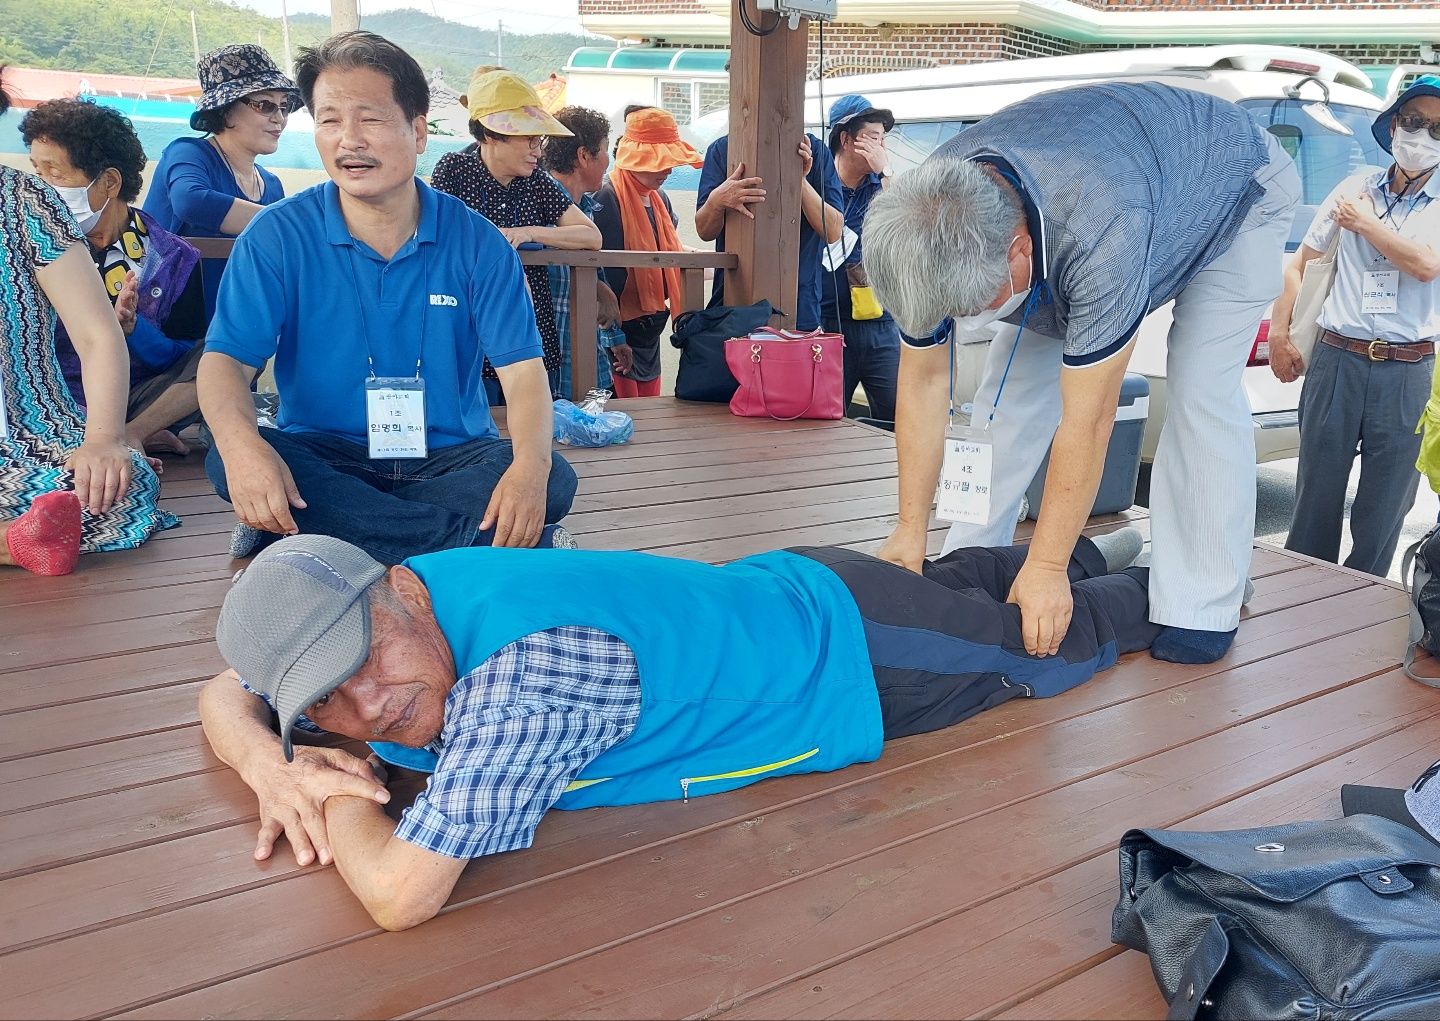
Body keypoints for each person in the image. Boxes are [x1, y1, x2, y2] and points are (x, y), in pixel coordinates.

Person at [198, 525, 1152, 929]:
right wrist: (270, 765)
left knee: (1041, 649)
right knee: (957, 586)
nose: (368, 709)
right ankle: (1085, 548)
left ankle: (1165, 588)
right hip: (788, 585)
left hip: (847, 653)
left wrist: (329, 787)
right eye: (324, 701)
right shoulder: (400, 592)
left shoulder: (521, 680)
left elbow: (400, 894)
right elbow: (221, 692)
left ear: (402, 594)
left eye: (367, 660)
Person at [863, 82, 1300, 666]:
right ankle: (974, 558)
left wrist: (1047, 568)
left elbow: (1088, 419)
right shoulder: (923, 221)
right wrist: (908, 528)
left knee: (1200, 389)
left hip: (1233, 189)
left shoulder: (1104, 228)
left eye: (970, 307)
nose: (962, 322)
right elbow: (923, 382)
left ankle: (1204, 599)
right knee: (1006, 395)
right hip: (1104, 182)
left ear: (1018, 251)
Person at [197, 32, 578, 565]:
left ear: (418, 132)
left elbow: (522, 374)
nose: (349, 140)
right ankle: (468, 542)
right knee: (227, 454)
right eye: (330, 120)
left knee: (553, 477)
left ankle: (314, 529)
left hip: (449, 457)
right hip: (326, 452)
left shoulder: (480, 243)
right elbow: (226, 363)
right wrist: (244, 453)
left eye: (370, 119)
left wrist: (529, 472)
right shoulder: (277, 236)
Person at [0, 77, 176, 577]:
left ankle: (36, 527)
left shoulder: (25, 203)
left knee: (117, 485)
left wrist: (103, 439)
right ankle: (13, 541)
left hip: (27, 426)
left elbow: (97, 335)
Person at [1271, 76, 1440, 578]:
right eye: (1414, 122)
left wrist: (1366, 223)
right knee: (1315, 496)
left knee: (1385, 506)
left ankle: (1364, 600)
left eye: (1438, 128)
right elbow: (1300, 263)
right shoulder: (1353, 189)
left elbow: (1425, 265)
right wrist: (1280, 332)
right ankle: (1302, 592)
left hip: (1408, 369)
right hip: (1337, 359)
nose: (1422, 136)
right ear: (1393, 125)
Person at [22, 99, 207, 459]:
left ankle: (133, 434)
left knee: (220, 355)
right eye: (36, 172)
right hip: (49, 402)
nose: (38, 189)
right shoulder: (25, 245)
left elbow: (182, 356)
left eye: (54, 174)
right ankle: (109, 437)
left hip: (137, 401)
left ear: (108, 182)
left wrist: (134, 330)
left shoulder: (176, 259)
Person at [430, 69, 601, 401]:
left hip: (528, 325)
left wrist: (529, 232)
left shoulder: (537, 181)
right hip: (469, 325)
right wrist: (495, 241)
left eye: (539, 140)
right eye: (529, 139)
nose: (538, 151)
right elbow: (439, 233)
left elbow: (590, 236)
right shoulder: (455, 169)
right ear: (491, 135)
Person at [143, 44, 301, 319]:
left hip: (237, 325)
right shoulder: (189, 153)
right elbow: (191, 201)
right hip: (170, 329)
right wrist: (289, 224)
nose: (279, 118)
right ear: (225, 111)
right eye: (265, 105)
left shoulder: (272, 185)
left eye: (284, 107)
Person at [589, 108, 704, 398]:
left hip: (650, 328)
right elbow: (598, 271)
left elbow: (667, 248)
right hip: (616, 327)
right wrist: (612, 333)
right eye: (660, 162)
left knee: (651, 406)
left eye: (670, 162)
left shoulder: (660, 198)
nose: (668, 170)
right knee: (623, 410)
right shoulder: (606, 197)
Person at [694, 131, 843, 332]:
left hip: (801, 308)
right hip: (732, 305)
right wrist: (716, 201)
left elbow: (833, 231)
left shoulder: (816, 151)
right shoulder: (722, 149)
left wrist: (799, 180)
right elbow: (704, 231)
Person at [820, 95, 904, 423]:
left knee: (898, 416)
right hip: (828, 321)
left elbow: (908, 223)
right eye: (872, 137)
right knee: (827, 419)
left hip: (880, 321)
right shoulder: (819, 183)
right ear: (845, 139)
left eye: (883, 139)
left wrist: (886, 171)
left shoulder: (883, 185)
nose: (880, 147)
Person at [541, 104, 633, 395]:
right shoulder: (538, 200)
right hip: (550, 357)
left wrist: (613, 336)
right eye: (605, 149)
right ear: (584, 155)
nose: (608, 160)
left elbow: (595, 271)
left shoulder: (586, 208)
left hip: (582, 351)